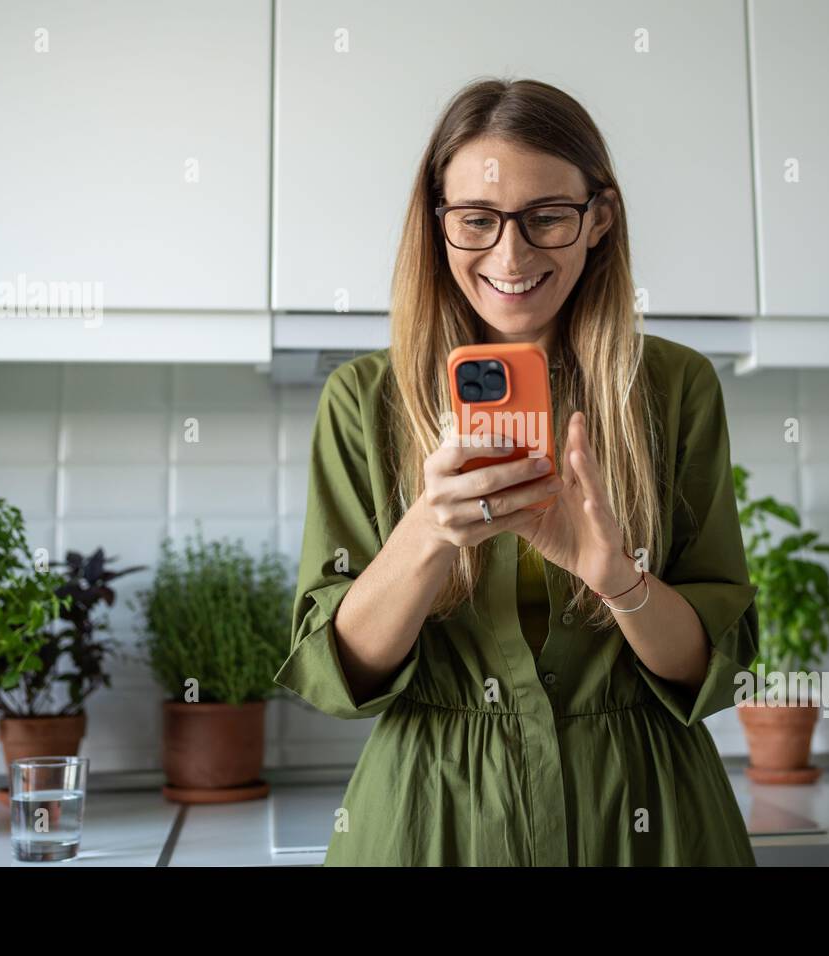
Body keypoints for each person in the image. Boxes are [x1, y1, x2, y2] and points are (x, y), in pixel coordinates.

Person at [275, 77, 759, 866]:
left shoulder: (675, 389)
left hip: (645, 814)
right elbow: (341, 675)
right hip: (433, 815)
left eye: (547, 218)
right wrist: (429, 533)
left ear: (598, 219)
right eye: (477, 220)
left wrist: (618, 580)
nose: (511, 253)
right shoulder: (363, 401)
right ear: (438, 226)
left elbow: (712, 670)